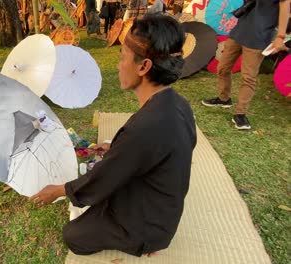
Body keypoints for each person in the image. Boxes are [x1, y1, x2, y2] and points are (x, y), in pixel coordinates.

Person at [30, 14, 196, 257]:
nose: (119, 66)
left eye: (122, 58)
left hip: (149, 225)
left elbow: (103, 178)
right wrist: (115, 148)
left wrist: (57, 190)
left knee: (74, 236)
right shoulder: (177, 104)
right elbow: (155, 153)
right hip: (164, 210)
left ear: (144, 66)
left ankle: (144, 242)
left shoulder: (146, 127)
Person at [201, 0, 290, 130]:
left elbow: (285, 7)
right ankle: (224, 98)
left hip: (259, 36)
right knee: (223, 68)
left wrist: (280, 36)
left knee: (248, 77)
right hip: (238, 32)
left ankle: (240, 113)